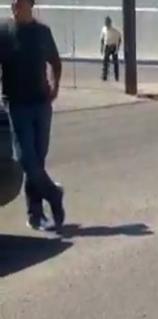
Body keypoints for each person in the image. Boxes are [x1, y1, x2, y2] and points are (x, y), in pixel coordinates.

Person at [0, 0, 66, 232]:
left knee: (37, 160)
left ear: (30, 5)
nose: (14, 6)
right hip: (16, 104)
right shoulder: (4, 32)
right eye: (12, 3)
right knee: (24, 158)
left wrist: (55, 86)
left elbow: (55, 62)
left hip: (41, 104)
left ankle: (35, 215)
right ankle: (54, 194)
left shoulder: (42, 32)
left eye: (19, 3)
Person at [100, 16, 122, 82]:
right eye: (106, 22)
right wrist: (102, 47)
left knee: (115, 62)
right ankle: (105, 76)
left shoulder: (115, 30)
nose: (106, 23)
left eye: (107, 22)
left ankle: (116, 76)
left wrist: (118, 48)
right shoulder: (104, 29)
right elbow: (102, 39)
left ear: (110, 23)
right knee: (105, 61)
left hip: (113, 46)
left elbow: (119, 39)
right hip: (107, 46)